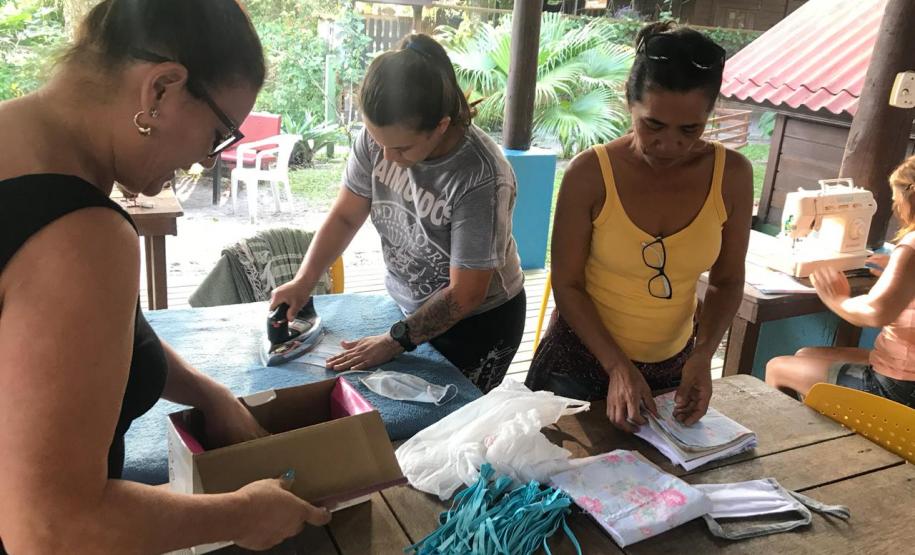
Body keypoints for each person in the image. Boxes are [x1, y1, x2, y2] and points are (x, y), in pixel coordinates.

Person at [0, 1, 330, 552]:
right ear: (161, 90)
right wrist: (242, 514)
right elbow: (50, 528)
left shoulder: (23, 145)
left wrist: (206, 392)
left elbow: (80, 338)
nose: (206, 158)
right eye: (221, 133)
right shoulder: (79, 233)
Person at [525, 22, 754, 432]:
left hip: (673, 368)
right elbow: (568, 284)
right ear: (629, 102)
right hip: (577, 362)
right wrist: (617, 367)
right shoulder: (590, 174)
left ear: (709, 115)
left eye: (690, 129)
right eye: (653, 125)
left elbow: (727, 280)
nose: (670, 144)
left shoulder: (731, 175)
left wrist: (702, 356)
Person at [271, 34, 526, 393]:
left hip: (480, 323)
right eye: (379, 143)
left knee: (448, 427)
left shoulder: (481, 176)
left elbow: (465, 294)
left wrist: (393, 341)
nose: (387, 158)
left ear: (440, 125)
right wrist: (304, 279)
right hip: (409, 307)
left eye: (401, 148)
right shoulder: (378, 139)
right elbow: (346, 215)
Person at [765, 155, 915, 407]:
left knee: (778, 368)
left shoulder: (911, 248)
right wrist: (898, 272)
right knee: (805, 355)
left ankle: (790, 443)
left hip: (898, 390)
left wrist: (838, 299)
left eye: (896, 200)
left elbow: (875, 312)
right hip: (905, 377)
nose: (895, 207)